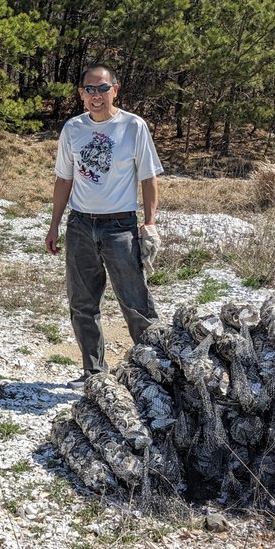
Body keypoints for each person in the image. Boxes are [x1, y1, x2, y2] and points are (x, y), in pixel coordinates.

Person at [45, 64, 163, 389]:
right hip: (81, 224)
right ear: (82, 94)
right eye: (89, 89)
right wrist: (54, 225)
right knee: (82, 303)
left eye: (102, 88)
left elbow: (148, 178)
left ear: (115, 90)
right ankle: (94, 373)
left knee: (135, 302)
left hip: (120, 226)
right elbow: (63, 179)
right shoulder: (72, 129)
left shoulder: (133, 127)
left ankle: (153, 372)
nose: (96, 96)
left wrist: (149, 223)